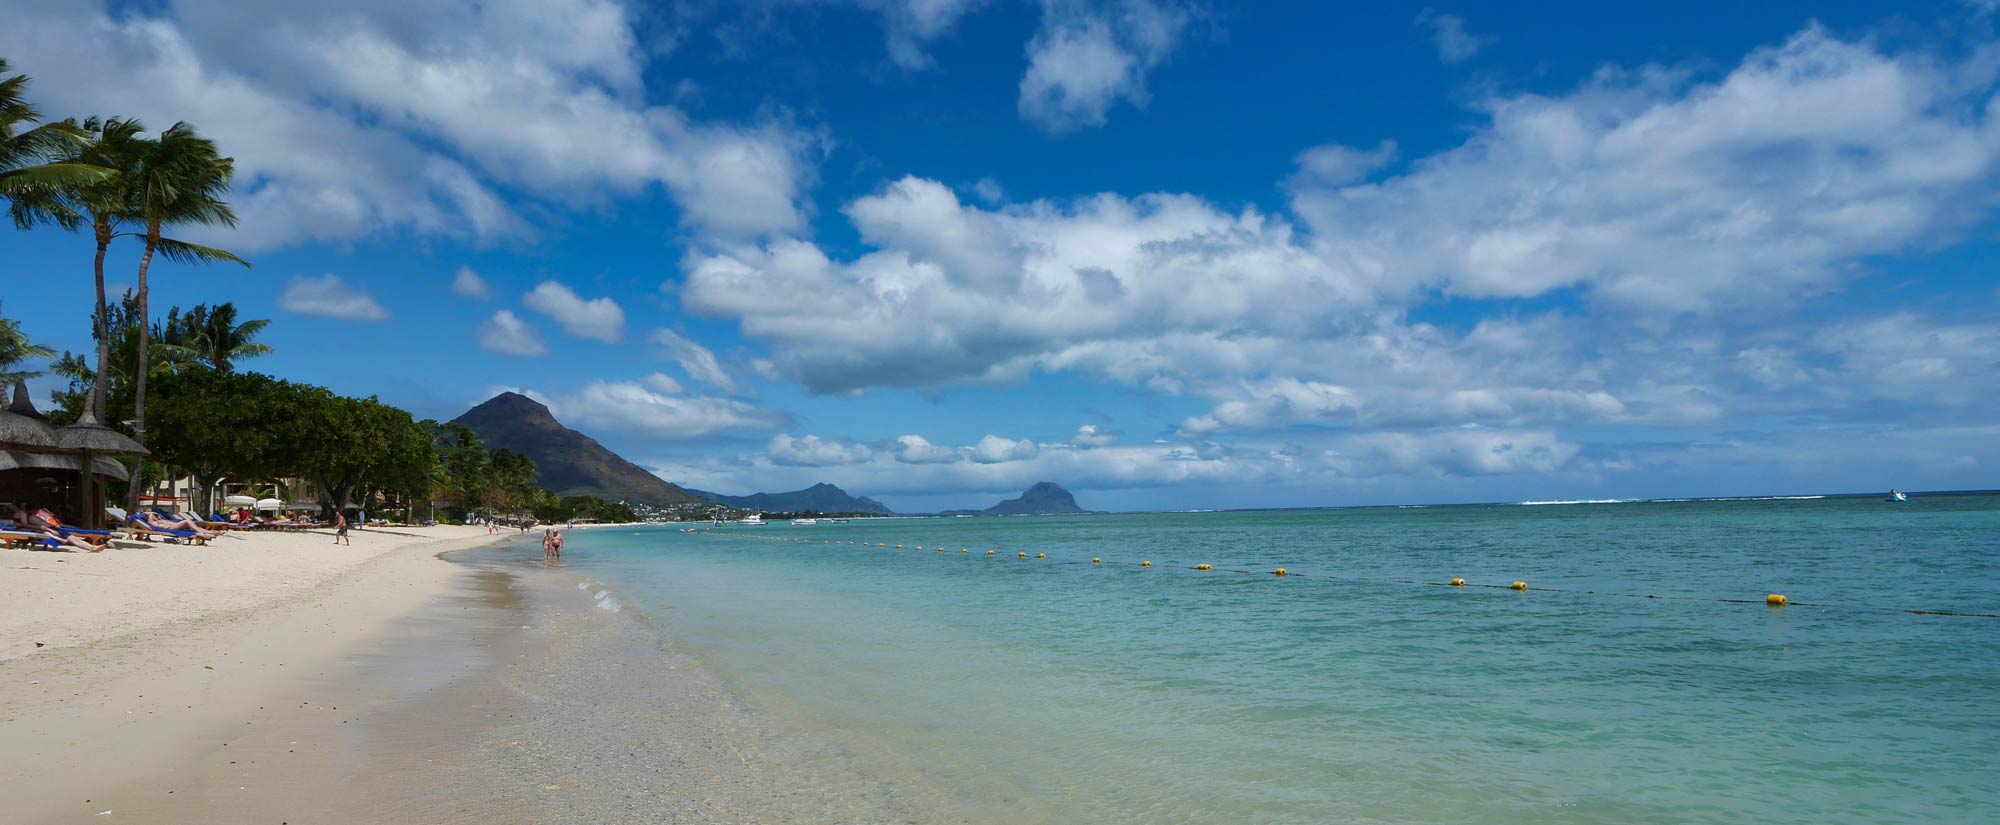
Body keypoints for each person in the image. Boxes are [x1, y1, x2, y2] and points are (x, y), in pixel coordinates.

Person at [11, 503, 104, 552]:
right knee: (72, 539)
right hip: (50, 530)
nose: (37, 511)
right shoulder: (27, 515)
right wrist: (50, 529)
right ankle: (91, 548)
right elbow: (33, 526)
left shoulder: (33, 515)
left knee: (72, 538)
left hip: (53, 529)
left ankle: (92, 547)